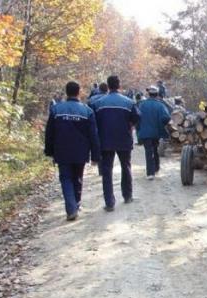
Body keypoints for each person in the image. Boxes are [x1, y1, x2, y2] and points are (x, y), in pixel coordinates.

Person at [45, 81, 101, 221]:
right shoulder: (87, 111)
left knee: (65, 179)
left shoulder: (56, 110)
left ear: (66, 92)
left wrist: (49, 150)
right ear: (79, 92)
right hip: (80, 152)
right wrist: (95, 155)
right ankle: (75, 204)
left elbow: (49, 133)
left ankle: (71, 208)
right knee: (78, 178)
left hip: (62, 150)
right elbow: (93, 135)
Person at [91, 75, 140, 211]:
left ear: (108, 85)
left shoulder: (98, 103)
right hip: (124, 139)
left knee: (107, 171)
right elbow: (136, 118)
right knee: (126, 167)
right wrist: (129, 125)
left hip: (105, 140)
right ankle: (127, 195)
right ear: (119, 85)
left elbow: (93, 121)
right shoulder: (129, 102)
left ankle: (109, 202)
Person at [137, 86, 171, 179]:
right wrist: (161, 124)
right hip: (156, 132)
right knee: (155, 149)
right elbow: (166, 118)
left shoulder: (142, 105)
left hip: (145, 133)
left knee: (148, 151)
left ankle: (150, 173)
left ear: (149, 94)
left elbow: (137, 118)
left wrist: (139, 131)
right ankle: (156, 168)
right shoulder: (160, 105)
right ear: (157, 95)